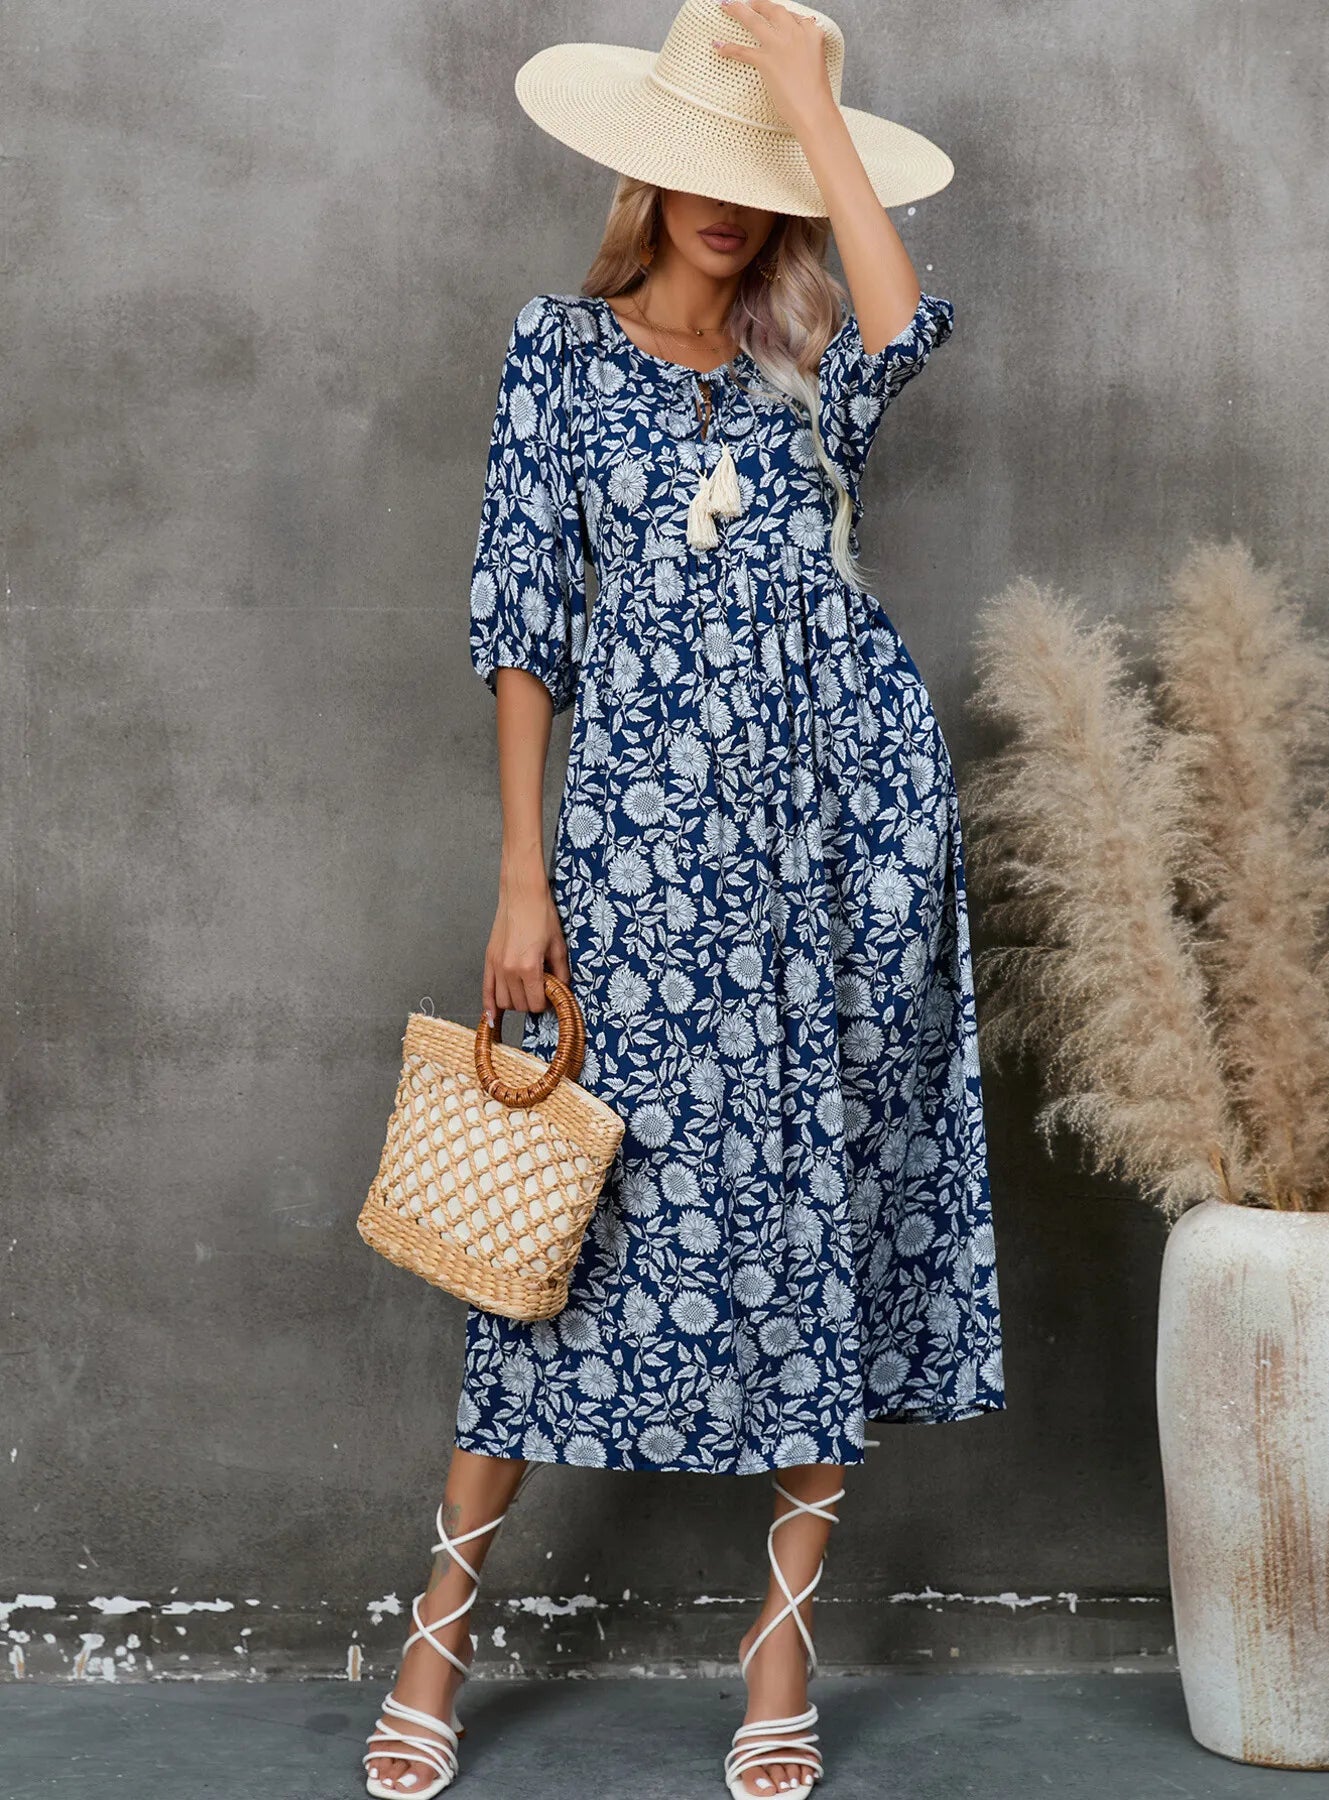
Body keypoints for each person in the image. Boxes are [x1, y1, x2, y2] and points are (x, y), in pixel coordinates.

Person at [364, 2, 1005, 1795]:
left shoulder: (811, 363)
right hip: (637, 848)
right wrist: (524, 878)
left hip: (844, 837)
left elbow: (907, 319)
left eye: (760, 174)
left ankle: (778, 1638)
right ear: (640, 174)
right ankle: (438, 1632)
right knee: (556, 1228)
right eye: (701, 163)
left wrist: (810, 103)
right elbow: (522, 618)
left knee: (815, 1203)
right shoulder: (559, 350)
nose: (725, 204)